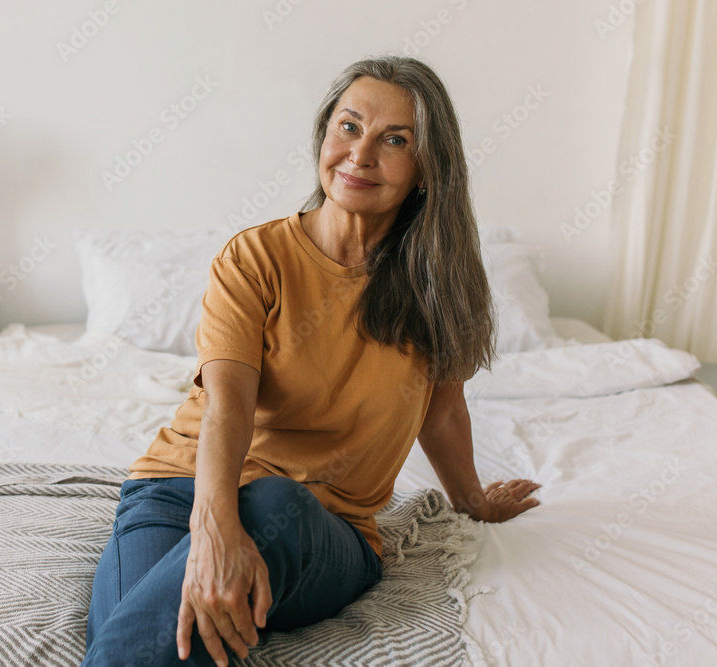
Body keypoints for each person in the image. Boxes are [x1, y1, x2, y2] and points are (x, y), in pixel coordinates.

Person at [82, 55, 541, 667]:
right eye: (349, 127)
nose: (360, 154)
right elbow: (228, 404)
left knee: (272, 506)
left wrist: (475, 503)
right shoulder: (255, 258)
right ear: (324, 134)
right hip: (178, 490)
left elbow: (441, 412)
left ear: (427, 169)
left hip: (317, 526)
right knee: (148, 638)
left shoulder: (438, 284)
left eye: (394, 140)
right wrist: (214, 532)